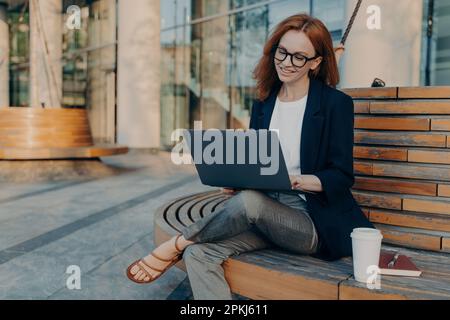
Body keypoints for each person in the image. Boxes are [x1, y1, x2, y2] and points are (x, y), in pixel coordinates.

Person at [126, 13, 375, 299]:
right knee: (199, 254)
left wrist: (296, 181)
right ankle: (188, 246)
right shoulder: (264, 103)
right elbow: (258, 160)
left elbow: (341, 177)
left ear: (315, 62)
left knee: (248, 204)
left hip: (310, 220)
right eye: (282, 52)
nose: (286, 62)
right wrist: (237, 179)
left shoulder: (335, 104)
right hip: (263, 210)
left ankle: (176, 243)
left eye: (298, 57)